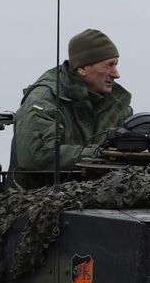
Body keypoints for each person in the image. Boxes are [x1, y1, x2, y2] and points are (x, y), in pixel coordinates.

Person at [9, 28, 133, 174]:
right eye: (109, 65)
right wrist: (101, 155)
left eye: (116, 64)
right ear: (82, 69)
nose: (116, 74)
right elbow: (37, 155)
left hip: (99, 193)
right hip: (39, 193)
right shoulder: (44, 100)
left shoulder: (116, 104)